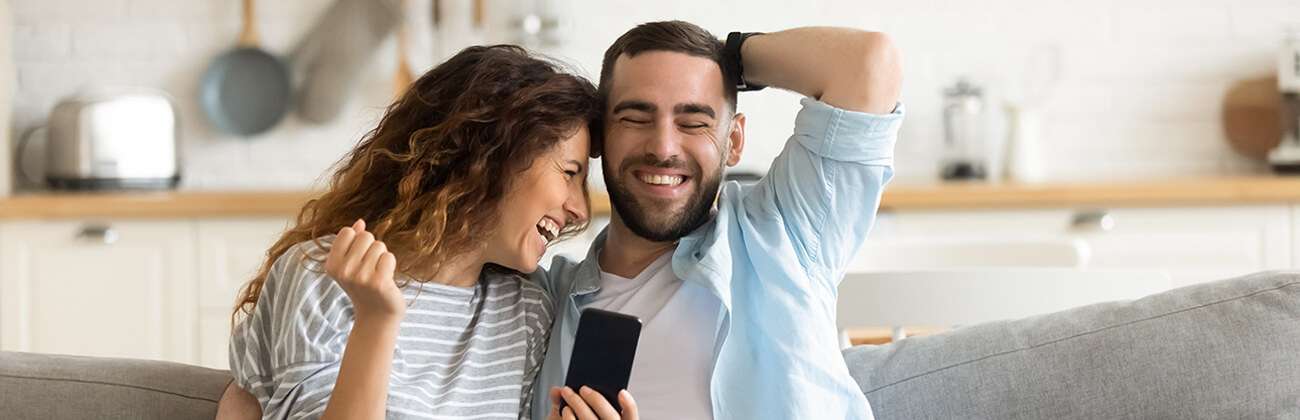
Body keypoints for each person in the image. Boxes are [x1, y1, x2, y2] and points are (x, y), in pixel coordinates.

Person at [532, 21, 903, 420]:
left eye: (694, 122)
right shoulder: (543, 304)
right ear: (600, 136)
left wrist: (731, 56)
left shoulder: (784, 230)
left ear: (734, 142)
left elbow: (868, 63)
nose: (662, 147)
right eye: (636, 118)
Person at [224, 45, 599, 419]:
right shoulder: (326, 275)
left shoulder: (525, 311)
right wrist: (376, 321)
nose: (580, 210)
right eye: (569, 172)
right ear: (490, 158)